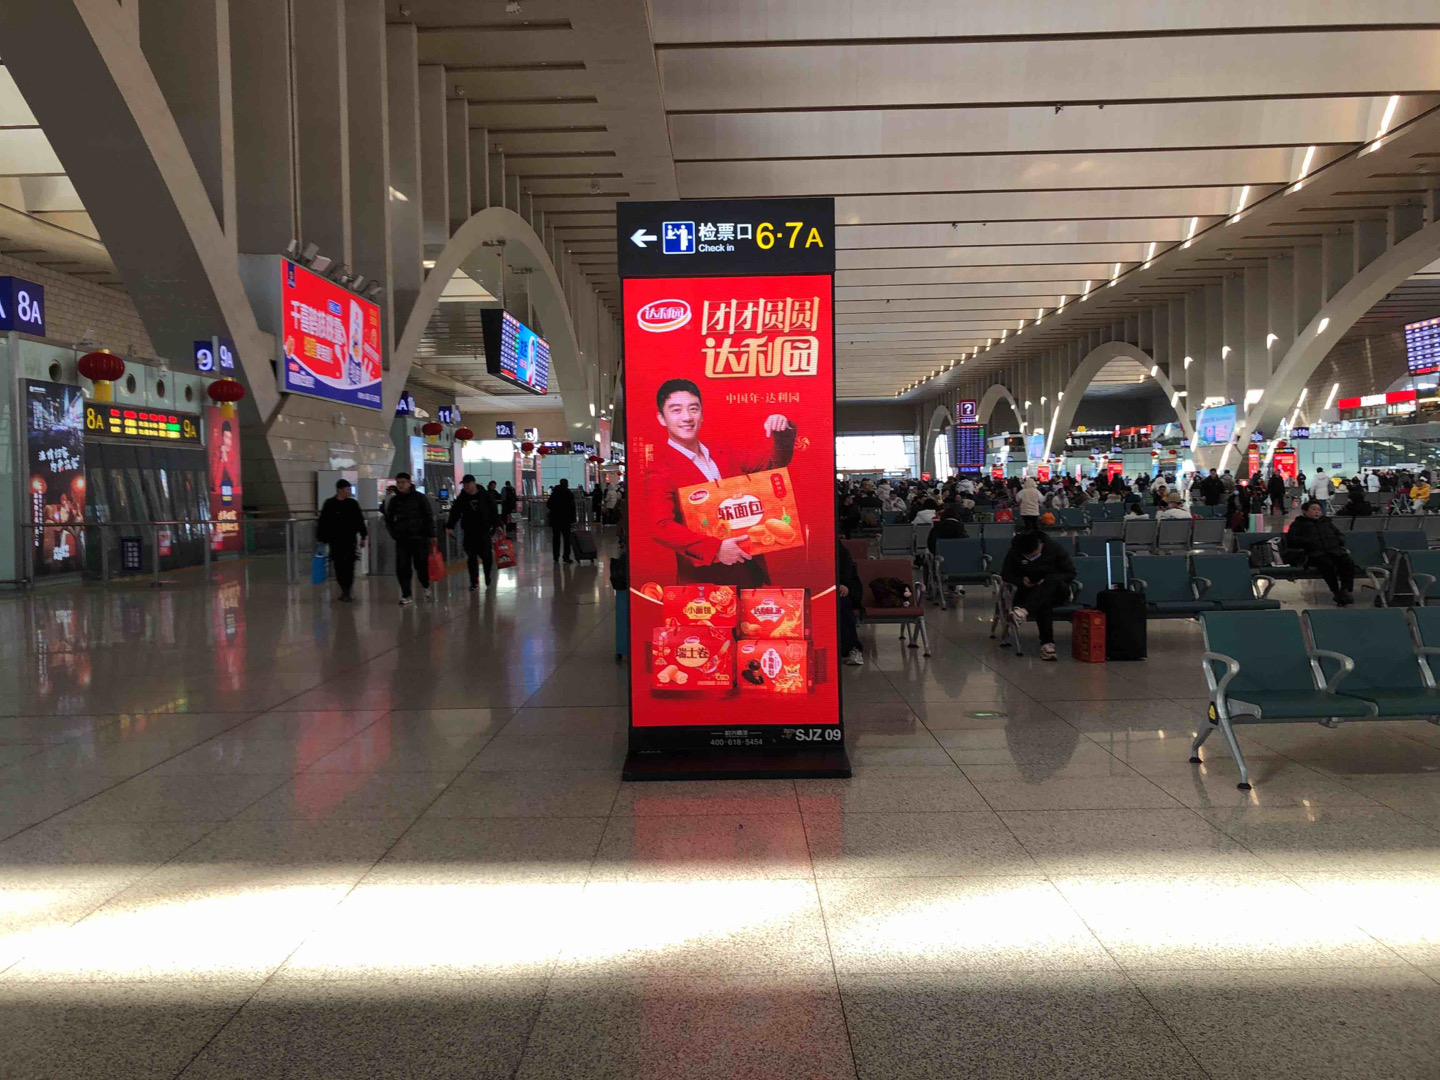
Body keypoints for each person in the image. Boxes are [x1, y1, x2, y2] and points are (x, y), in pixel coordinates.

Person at [646, 378, 795, 585]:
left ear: (702, 414)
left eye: (693, 409)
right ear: (662, 418)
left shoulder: (724, 453)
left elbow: (773, 463)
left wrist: (782, 433)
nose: (687, 417)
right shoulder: (661, 470)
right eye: (676, 410)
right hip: (705, 581)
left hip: (750, 570)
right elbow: (660, 527)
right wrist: (715, 549)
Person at [1001, 530, 1077, 662]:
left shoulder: (1055, 549)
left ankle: (1024, 611)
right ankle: (1047, 645)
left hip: (1058, 592)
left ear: (1040, 544)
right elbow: (1006, 575)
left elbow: (1070, 573)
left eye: (1034, 555)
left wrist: (1047, 581)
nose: (1031, 558)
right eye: (1027, 556)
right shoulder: (1015, 551)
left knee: (1050, 580)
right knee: (1044, 601)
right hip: (1029, 592)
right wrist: (1021, 581)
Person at [1284, 499, 1356, 605]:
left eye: (1319, 510)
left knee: (1347, 561)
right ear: (1305, 511)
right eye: (1313, 509)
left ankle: (1345, 590)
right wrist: (1309, 543)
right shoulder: (1298, 524)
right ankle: (1336, 591)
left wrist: (1336, 541)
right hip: (1312, 554)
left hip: (1333, 551)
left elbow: (1339, 535)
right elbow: (1292, 540)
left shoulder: (1326, 522)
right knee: (1327, 564)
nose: (1317, 512)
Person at [384, 471, 434, 605]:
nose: (400, 485)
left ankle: (425, 585)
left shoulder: (420, 498)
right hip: (402, 540)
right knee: (402, 567)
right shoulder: (394, 501)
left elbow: (428, 517)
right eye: (398, 483)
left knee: (421, 566)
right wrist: (394, 534)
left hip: (419, 539)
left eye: (403, 482)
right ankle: (406, 594)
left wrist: (431, 535)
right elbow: (389, 520)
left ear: (409, 483)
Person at [315, 478, 367, 602]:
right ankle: (343, 588)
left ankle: (347, 589)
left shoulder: (352, 504)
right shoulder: (329, 504)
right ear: (339, 490)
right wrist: (321, 538)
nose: (349, 492)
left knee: (349, 564)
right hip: (335, 540)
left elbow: (359, 520)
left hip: (349, 539)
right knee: (338, 565)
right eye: (347, 489)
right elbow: (323, 522)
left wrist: (363, 535)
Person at [447, 474, 500, 590]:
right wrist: (450, 526)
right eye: (464, 484)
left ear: (474, 483)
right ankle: (474, 581)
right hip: (469, 531)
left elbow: (493, 510)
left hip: (483, 531)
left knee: (486, 556)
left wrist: (497, 525)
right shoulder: (462, 497)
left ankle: (487, 576)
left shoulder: (485, 495)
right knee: (471, 557)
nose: (465, 486)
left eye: (467, 484)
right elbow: (455, 512)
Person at [837, 538, 865, 666]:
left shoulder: (839, 549)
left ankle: (852, 648)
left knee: (843, 603)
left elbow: (847, 572)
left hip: (839, 589)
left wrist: (843, 585)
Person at [547, 478, 577, 563]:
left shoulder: (555, 493)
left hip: (555, 519)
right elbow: (572, 508)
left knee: (556, 539)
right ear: (567, 484)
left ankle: (556, 557)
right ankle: (566, 557)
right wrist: (573, 520)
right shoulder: (569, 494)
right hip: (566, 520)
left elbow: (549, 505)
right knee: (567, 539)